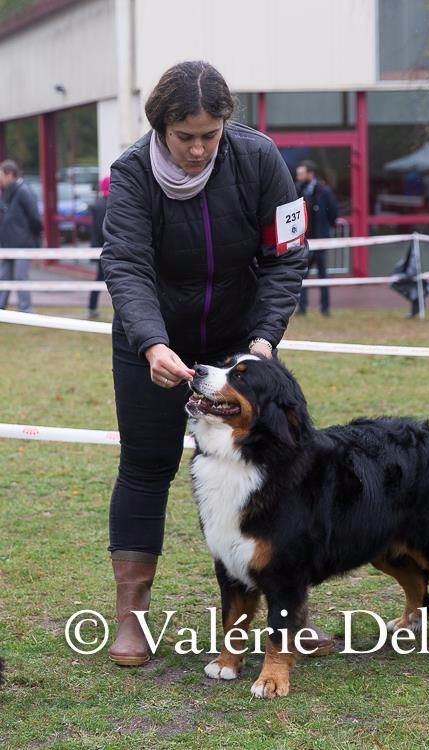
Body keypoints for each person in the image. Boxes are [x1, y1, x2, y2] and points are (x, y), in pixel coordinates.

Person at [100, 60, 335, 667]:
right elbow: (126, 264)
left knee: (278, 466)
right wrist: (152, 342)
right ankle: (131, 620)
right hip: (151, 344)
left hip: (238, 347)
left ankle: (290, 613)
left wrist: (262, 341)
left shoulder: (259, 160)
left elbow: (286, 256)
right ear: (161, 128)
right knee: (147, 468)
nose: (200, 149)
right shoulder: (130, 174)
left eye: (211, 135)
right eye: (186, 137)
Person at [295, 161, 338, 316]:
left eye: (301, 173)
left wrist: (326, 229)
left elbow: (333, 212)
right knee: (302, 275)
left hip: (320, 240)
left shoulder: (323, 191)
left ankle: (325, 309)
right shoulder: (297, 190)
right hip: (304, 241)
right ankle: (302, 308)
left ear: (310, 173)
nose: (298, 177)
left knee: (322, 275)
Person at [0, 159, 42, 313]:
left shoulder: (24, 191)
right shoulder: (7, 192)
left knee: (20, 278)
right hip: (7, 245)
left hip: (22, 244)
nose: (0, 179)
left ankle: (25, 311)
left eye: (1, 175)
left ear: (10, 174)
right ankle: (1, 309)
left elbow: (35, 219)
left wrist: (33, 238)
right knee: (4, 278)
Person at [87, 175, 110, 319]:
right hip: (111, 247)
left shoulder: (96, 205)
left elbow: (94, 230)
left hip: (98, 247)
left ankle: (91, 307)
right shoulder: (114, 203)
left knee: (98, 279)